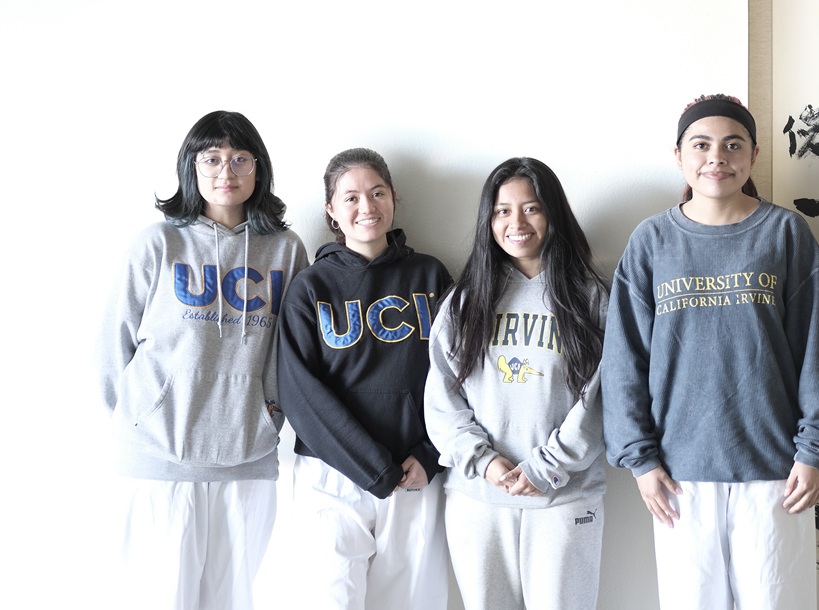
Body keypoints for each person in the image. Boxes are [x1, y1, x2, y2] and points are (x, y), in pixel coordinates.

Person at [602, 94, 819, 610]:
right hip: (678, 477)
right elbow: (624, 358)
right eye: (702, 144)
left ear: (754, 156)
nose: (717, 157)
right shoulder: (651, 242)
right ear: (679, 156)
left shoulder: (786, 233)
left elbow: (818, 346)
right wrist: (640, 459)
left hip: (777, 472)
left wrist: (815, 450)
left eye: (732, 144)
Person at [98, 110, 309, 609]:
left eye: (239, 158)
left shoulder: (285, 250)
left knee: (234, 600)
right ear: (190, 167)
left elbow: (293, 351)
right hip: (157, 461)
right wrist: (140, 419)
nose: (225, 171)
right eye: (210, 158)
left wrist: (270, 413)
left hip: (248, 458)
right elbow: (113, 345)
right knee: (158, 599)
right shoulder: (158, 242)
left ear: (259, 169)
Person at [424, 157, 608, 610]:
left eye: (531, 208)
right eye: (502, 211)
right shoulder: (465, 301)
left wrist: (546, 466)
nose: (516, 222)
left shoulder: (591, 298)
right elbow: (442, 397)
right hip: (479, 499)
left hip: (564, 497)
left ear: (553, 214)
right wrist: (484, 462)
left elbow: (602, 397)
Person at [277, 148, 451, 609]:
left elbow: (459, 377)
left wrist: (430, 455)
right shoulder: (310, 287)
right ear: (332, 210)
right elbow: (299, 393)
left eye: (376, 193)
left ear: (394, 197)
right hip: (330, 474)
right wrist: (373, 467)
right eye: (350, 197)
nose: (366, 207)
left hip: (415, 474)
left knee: (412, 602)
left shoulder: (431, 276)